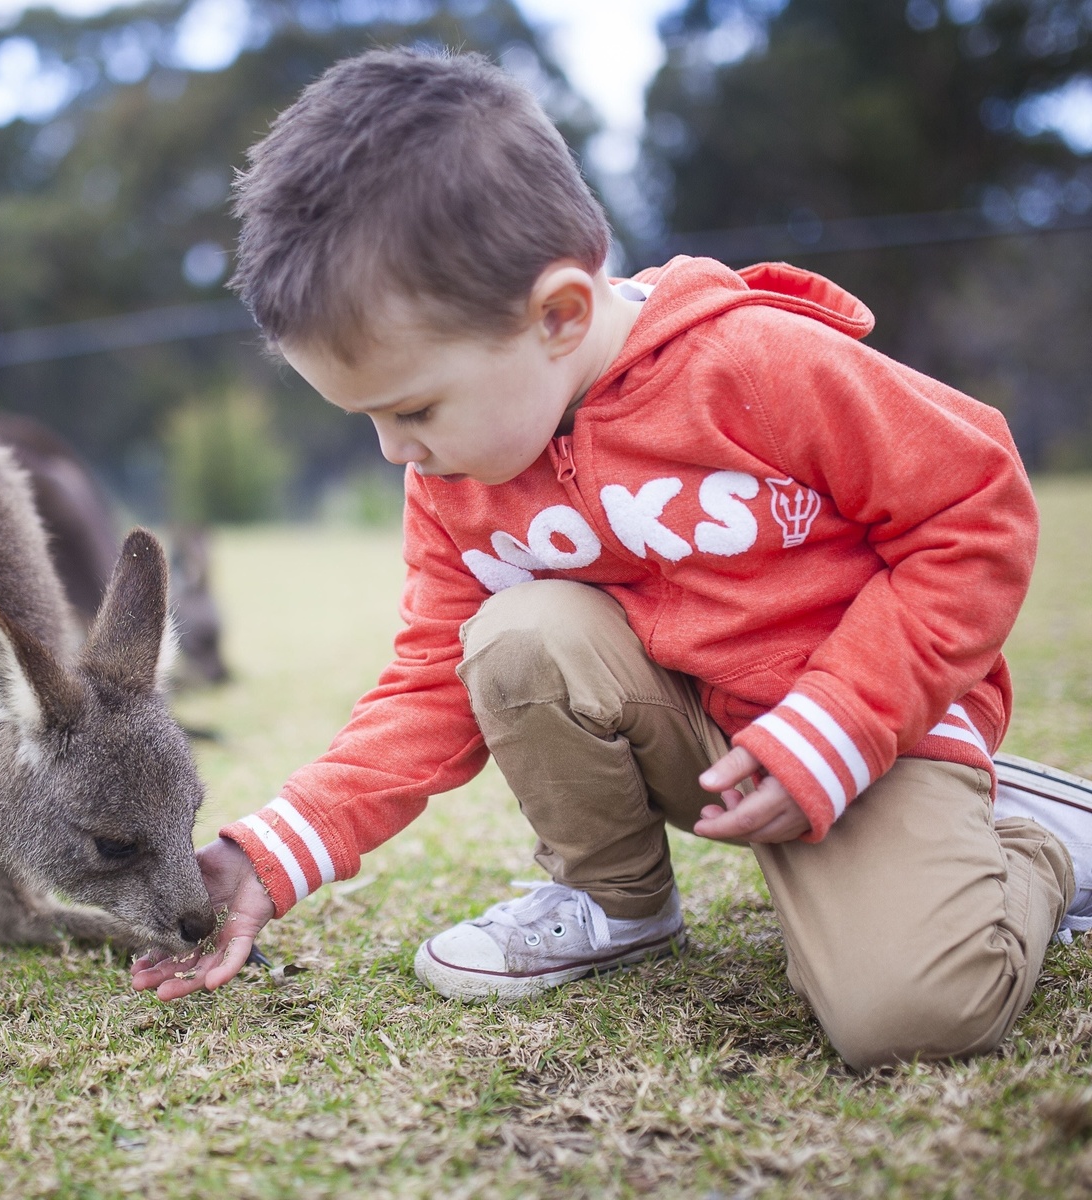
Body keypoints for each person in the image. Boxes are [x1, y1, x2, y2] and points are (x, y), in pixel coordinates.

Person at [130, 47, 1092, 1070]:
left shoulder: (754, 364)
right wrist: (271, 852)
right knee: (514, 635)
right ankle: (616, 902)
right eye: (368, 417)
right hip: (699, 741)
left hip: (868, 731)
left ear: (559, 315)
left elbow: (973, 507)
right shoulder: (456, 476)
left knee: (908, 1021)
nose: (393, 451)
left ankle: (1029, 841)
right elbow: (427, 682)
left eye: (411, 408)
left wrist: (841, 724)